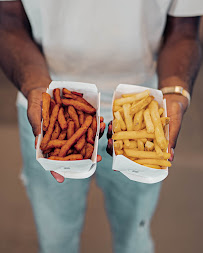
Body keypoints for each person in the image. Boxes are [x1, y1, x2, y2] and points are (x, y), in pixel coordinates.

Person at [0, 1, 202, 252]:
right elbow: (7, 20)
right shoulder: (46, 106)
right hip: (45, 106)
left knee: (134, 240)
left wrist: (174, 94)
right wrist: (35, 87)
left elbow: (184, 30)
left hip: (143, 107)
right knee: (55, 240)